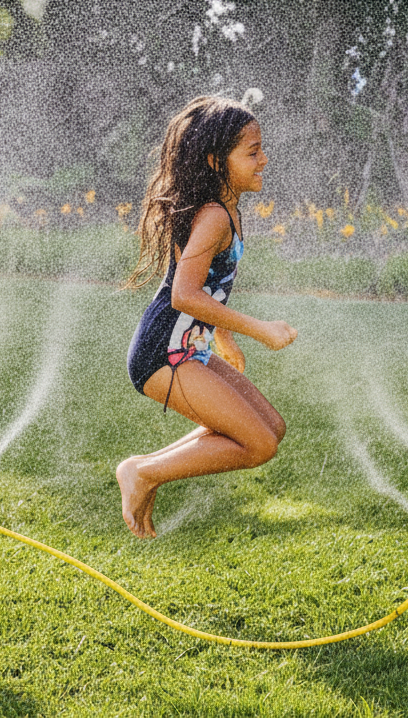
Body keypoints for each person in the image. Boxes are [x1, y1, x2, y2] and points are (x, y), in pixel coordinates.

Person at [118, 96, 297, 538]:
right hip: (163, 353)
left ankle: (143, 468)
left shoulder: (227, 208)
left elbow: (208, 284)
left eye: (261, 149)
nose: (263, 160)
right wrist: (257, 330)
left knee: (272, 428)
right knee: (256, 445)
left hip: (188, 346)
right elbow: (184, 294)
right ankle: (142, 474)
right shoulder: (214, 215)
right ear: (218, 161)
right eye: (252, 152)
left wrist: (222, 337)